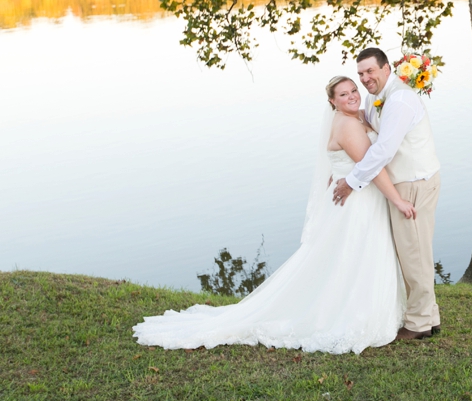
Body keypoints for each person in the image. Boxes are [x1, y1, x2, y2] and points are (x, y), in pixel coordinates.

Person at [132, 76, 415, 354]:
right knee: (354, 256)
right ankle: (353, 315)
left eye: (354, 90)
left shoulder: (356, 118)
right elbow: (372, 166)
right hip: (357, 205)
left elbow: (350, 159)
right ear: (332, 101)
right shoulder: (348, 125)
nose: (352, 95)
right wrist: (399, 201)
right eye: (343, 94)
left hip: (357, 200)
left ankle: (363, 308)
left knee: (349, 258)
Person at [332, 47, 442, 341]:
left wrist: (351, 180)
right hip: (402, 182)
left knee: (414, 253)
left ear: (386, 69)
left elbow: (382, 149)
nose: (365, 78)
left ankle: (418, 325)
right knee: (414, 251)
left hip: (414, 183)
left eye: (370, 71)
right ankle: (429, 317)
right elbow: (367, 130)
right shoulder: (374, 98)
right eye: (361, 74)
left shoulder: (400, 100)